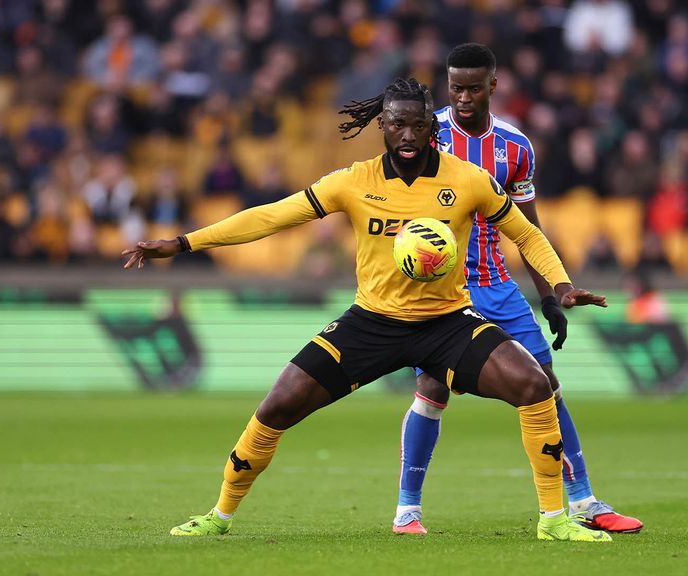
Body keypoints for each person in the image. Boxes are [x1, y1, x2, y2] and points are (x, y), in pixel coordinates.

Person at [122, 77, 613, 543]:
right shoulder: (353, 181)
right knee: (278, 404)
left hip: (447, 322)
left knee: (534, 384)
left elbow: (525, 232)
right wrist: (184, 243)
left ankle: (554, 519)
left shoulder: (468, 180)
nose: (407, 134)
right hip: (372, 323)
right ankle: (219, 515)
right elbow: (272, 216)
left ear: (432, 129)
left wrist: (561, 284)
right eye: (396, 123)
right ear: (382, 124)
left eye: (418, 125)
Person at [391, 44, 642, 536]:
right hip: (442, 289)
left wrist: (549, 294)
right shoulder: (427, 134)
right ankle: (407, 509)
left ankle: (584, 501)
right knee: (432, 387)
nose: (463, 97)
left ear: (493, 86)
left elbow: (528, 228)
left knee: (546, 385)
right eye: (455, 87)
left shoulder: (516, 147)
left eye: (473, 88)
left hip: (497, 286)